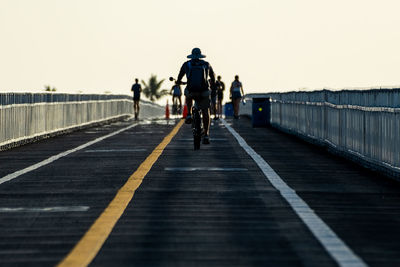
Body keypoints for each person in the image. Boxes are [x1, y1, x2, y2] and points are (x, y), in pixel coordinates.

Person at [176, 47, 216, 144]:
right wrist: (213, 85)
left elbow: (180, 76)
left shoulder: (187, 64)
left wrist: (178, 82)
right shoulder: (206, 64)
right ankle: (206, 134)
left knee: (188, 94)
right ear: (200, 55)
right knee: (206, 111)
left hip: (191, 90)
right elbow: (213, 77)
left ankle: (189, 114)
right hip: (204, 91)